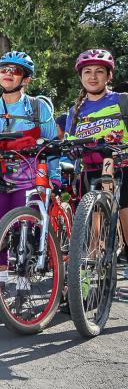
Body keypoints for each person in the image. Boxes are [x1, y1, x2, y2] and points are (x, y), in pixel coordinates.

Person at [0, 51, 58, 312]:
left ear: (26, 79)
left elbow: (53, 144)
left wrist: (53, 177)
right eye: (4, 69)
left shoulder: (38, 108)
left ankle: (22, 291)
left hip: (29, 179)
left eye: (15, 70)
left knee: (25, 235)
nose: (8, 74)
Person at [65, 49, 128, 245]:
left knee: (125, 210)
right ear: (81, 77)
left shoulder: (122, 100)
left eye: (99, 71)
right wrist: (71, 150)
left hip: (122, 166)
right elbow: (69, 140)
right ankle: (92, 265)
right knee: (93, 221)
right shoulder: (75, 110)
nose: (93, 77)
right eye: (87, 72)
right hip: (90, 169)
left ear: (109, 76)